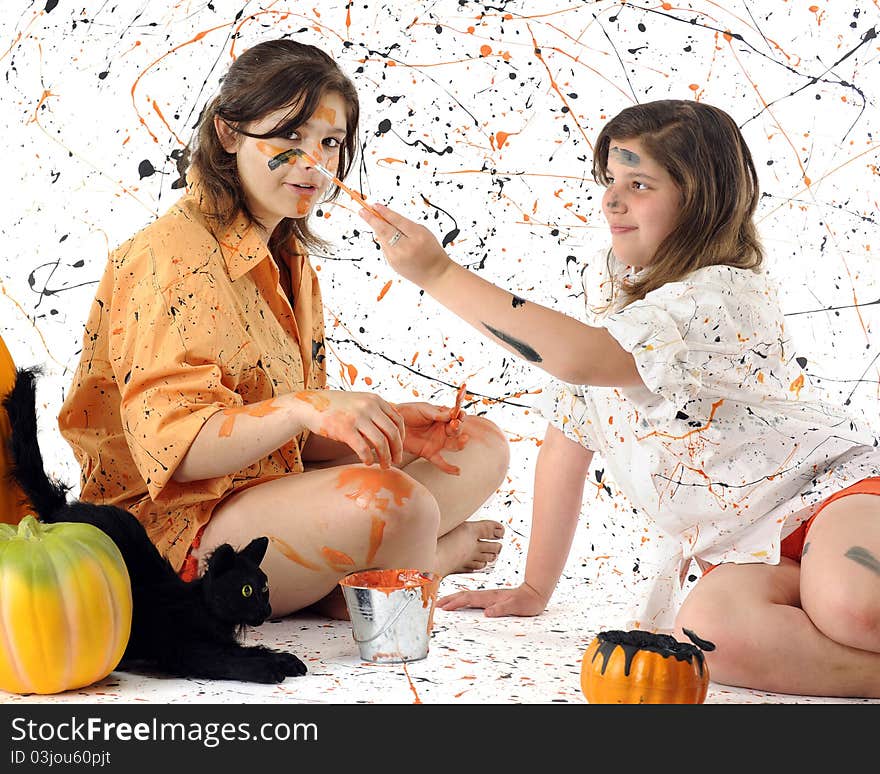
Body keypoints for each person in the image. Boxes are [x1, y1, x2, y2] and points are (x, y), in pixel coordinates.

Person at [357, 99, 880, 697]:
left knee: (851, 606)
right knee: (707, 636)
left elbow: (579, 356)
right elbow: (567, 440)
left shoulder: (720, 296)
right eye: (610, 180)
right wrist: (535, 587)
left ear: (702, 199)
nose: (612, 199)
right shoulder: (618, 308)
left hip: (834, 494)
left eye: (639, 183)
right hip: (745, 548)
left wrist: (439, 272)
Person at [58, 39, 510, 621]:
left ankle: (372, 572)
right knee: (400, 506)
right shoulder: (170, 258)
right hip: (173, 538)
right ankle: (409, 570)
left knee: (476, 444)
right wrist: (308, 407)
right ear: (228, 134)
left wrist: (379, 423)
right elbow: (181, 452)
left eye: (329, 143)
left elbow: (287, 438)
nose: (314, 163)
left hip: (264, 496)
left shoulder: (286, 256)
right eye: (289, 137)